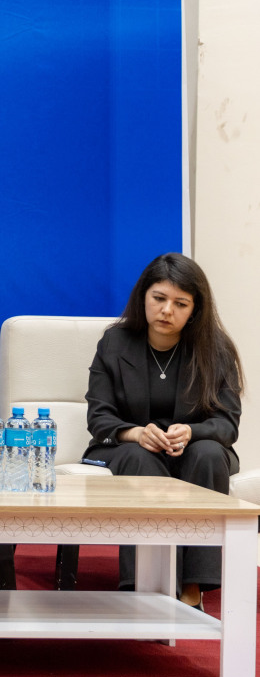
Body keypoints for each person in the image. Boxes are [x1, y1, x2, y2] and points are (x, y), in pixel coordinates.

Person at [84, 252, 243, 606]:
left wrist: (192, 432)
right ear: (143, 296)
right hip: (127, 447)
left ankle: (192, 587)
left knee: (207, 454)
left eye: (180, 303)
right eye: (159, 298)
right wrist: (136, 433)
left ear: (194, 310)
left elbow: (227, 423)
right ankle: (148, 584)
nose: (167, 310)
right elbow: (99, 417)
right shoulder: (114, 343)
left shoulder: (216, 349)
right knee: (139, 457)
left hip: (193, 450)